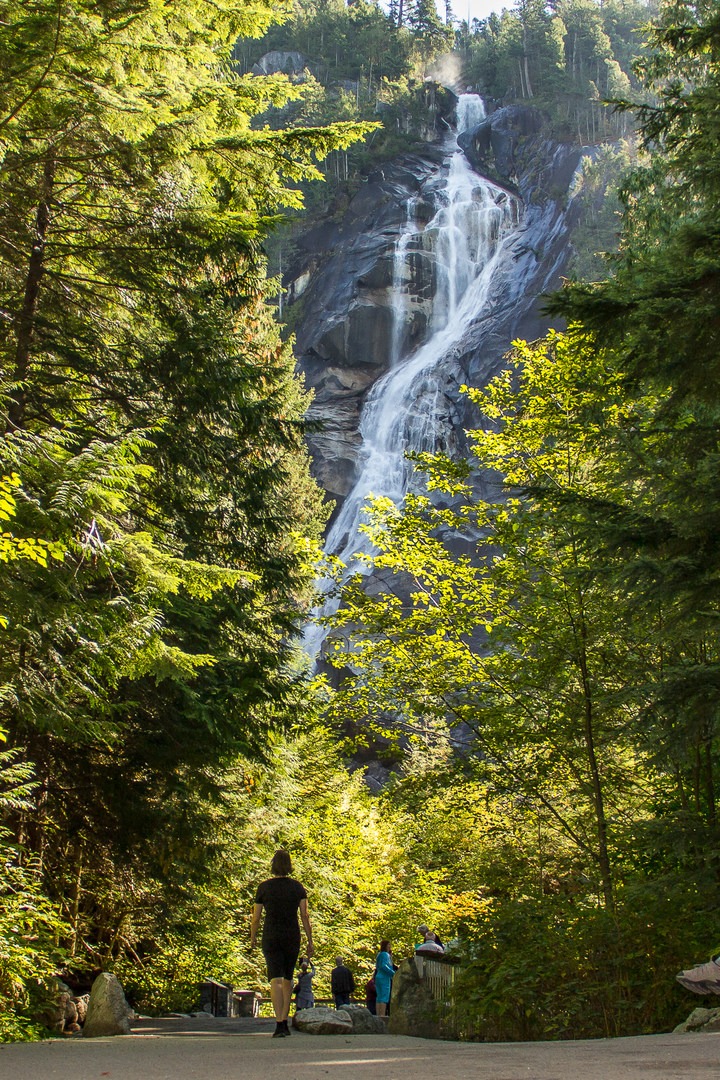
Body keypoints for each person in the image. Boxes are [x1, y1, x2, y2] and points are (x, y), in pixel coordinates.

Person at [250, 849, 313, 1038]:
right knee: (288, 979)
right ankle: (284, 1021)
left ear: (273, 865)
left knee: (275, 979)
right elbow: (304, 915)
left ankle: (278, 1023)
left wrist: (253, 936)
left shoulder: (264, 888)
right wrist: (310, 939)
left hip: (271, 935)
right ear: (289, 865)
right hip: (291, 935)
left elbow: (256, 917)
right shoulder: (297, 887)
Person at [374, 939, 395, 1017]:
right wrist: (393, 973)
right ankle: (382, 1015)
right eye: (388, 945)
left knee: (379, 997)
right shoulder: (385, 955)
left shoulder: (379, 954)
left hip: (378, 977)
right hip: (384, 978)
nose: (390, 947)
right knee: (384, 997)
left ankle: (378, 1014)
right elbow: (384, 966)